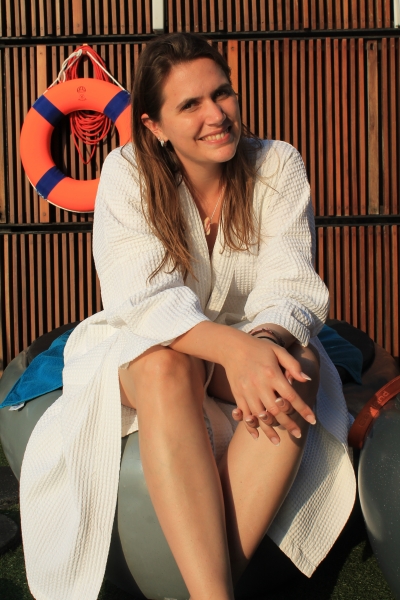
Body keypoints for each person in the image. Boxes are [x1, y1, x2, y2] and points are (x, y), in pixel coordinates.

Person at [20, 33, 356, 600]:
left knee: (293, 369)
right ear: (154, 125)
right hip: (150, 342)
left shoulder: (277, 163)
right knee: (163, 367)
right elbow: (143, 299)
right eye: (190, 104)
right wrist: (236, 350)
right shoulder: (126, 173)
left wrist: (263, 342)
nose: (216, 115)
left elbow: (291, 282)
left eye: (221, 93)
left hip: (251, 335)